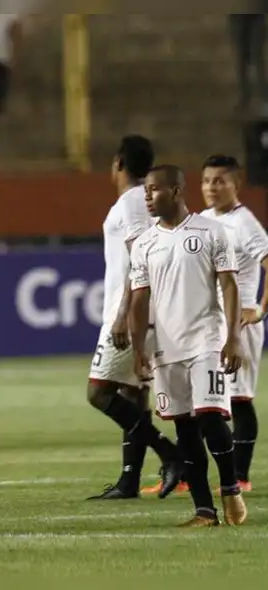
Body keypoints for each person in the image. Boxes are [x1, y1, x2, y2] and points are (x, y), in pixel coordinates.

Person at [129, 165, 248, 527]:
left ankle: (230, 486)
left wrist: (233, 337)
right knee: (185, 430)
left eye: (154, 190)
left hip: (206, 340)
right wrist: (138, 350)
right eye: (146, 191)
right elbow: (138, 300)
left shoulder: (210, 231)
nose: (147, 197)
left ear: (177, 191)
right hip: (167, 348)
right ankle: (204, 510)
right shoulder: (144, 243)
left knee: (211, 418)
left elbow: (228, 285)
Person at [85, 136, 184, 500]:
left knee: (98, 393)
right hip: (150, 309)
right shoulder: (146, 201)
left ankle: (171, 453)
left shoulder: (130, 203)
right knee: (133, 393)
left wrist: (124, 314)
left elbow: (140, 258)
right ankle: (129, 480)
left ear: (118, 163)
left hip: (130, 310)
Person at [200, 154, 268, 493]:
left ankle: (240, 476)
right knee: (205, 400)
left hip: (240, 324)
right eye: (207, 181)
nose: (211, 187)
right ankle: (190, 474)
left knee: (239, 400)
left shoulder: (244, 223)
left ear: (235, 184)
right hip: (210, 323)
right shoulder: (202, 219)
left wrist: (260, 310)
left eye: (219, 181)